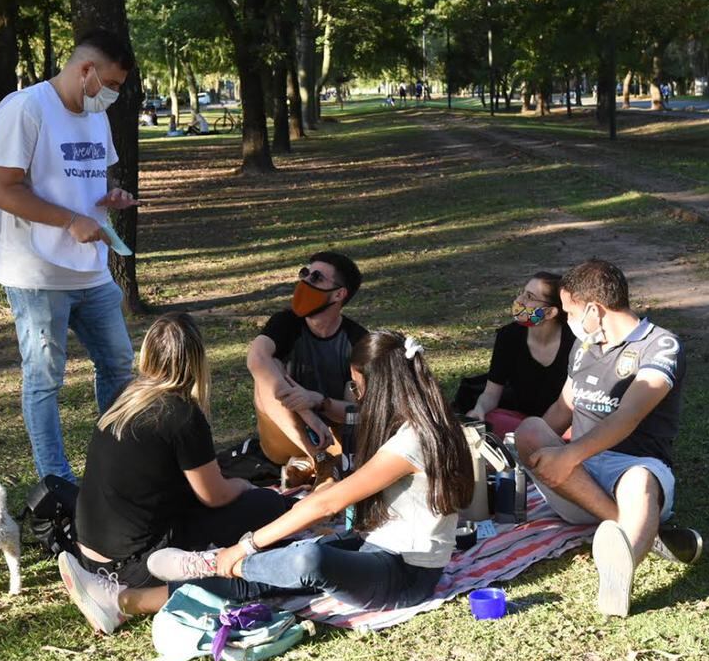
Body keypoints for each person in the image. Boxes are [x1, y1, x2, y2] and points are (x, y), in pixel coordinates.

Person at [147, 330, 474, 612]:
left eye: (357, 388)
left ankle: (214, 562)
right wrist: (316, 405)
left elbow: (327, 504)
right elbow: (349, 414)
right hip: (374, 547)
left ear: (380, 388)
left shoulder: (412, 440)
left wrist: (246, 546)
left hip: (406, 574)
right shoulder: (423, 418)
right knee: (283, 567)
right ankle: (132, 601)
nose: (356, 397)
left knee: (308, 561)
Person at [55, 313, 291, 634]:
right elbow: (214, 495)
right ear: (196, 359)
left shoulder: (125, 398)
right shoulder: (180, 413)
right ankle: (132, 599)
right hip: (134, 564)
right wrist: (242, 485)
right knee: (270, 507)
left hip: (89, 553)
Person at [0, 28, 140, 483]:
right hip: (35, 271)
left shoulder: (96, 116)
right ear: (85, 69)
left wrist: (109, 198)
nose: (111, 95)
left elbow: (87, 179)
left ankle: (116, 467)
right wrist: (69, 221)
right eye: (109, 84)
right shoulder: (25, 108)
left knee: (118, 363)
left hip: (90, 270)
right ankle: (56, 480)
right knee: (45, 378)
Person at [514, 259, 701, 618]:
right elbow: (562, 408)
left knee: (639, 482)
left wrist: (567, 457)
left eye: (569, 313)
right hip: (576, 480)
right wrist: (520, 450)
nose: (567, 322)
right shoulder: (585, 346)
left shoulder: (661, 346)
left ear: (594, 310)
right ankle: (645, 534)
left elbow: (628, 416)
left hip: (631, 464)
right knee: (530, 429)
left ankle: (621, 568)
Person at [248, 252, 367, 479]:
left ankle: (313, 465)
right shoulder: (286, 323)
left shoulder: (357, 340)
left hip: (334, 439)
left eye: (316, 278)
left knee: (356, 389)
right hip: (285, 436)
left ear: (338, 294)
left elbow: (365, 413)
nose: (305, 282)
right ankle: (317, 460)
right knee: (268, 368)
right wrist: (306, 411)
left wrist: (319, 402)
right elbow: (256, 358)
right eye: (305, 273)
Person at [466, 271, 576, 438]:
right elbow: (491, 393)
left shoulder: (574, 342)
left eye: (530, 297)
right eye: (522, 293)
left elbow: (572, 407)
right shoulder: (508, 336)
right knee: (489, 420)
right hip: (520, 422)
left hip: (564, 425)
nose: (519, 301)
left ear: (550, 312)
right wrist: (479, 408)